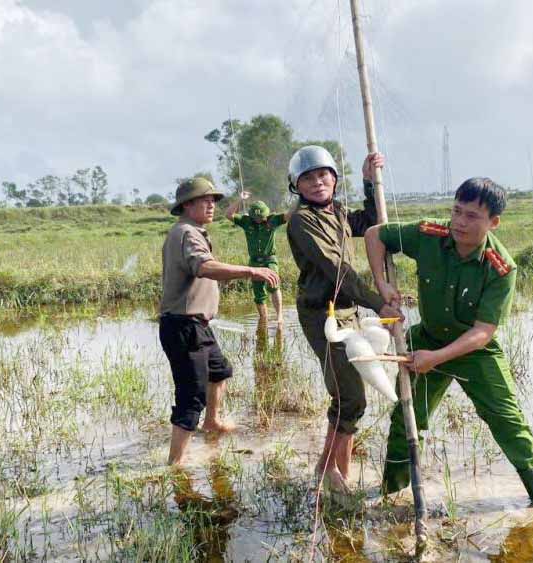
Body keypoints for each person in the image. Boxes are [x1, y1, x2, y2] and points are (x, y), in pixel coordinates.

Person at [364, 177, 533, 506]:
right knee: (405, 418)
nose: (459, 223)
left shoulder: (501, 268)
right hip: (427, 339)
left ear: (493, 222)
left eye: (472, 216)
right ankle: (392, 496)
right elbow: (375, 235)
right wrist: (382, 283)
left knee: (508, 423)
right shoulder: (430, 235)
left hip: (472, 350)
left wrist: (437, 357)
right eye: (456, 211)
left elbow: (483, 332)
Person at [286, 145, 403, 493]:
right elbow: (337, 271)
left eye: (324, 175)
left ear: (335, 179)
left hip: (347, 312)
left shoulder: (336, 211)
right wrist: (378, 303)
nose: (318, 182)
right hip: (322, 313)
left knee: (349, 397)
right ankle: (331, 471)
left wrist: (370, 183)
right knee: (351, 398)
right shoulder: (302, 221)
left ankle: (332, 470)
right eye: (308, 178)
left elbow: (369, 223)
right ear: (297, 185)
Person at [159, 177, 280, 465]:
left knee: (220, 371)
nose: (212, 205)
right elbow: (205, 267)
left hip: (197, 326)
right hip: (184, 326)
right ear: (187, 205)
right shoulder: (187, 233)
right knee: (191, 398)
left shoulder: (191, 231)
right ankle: (175, 463)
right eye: (205, 200)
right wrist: (251, 271)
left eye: (213, 200)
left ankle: (212, 422)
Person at [225, 200, 291, 326]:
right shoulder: (246, 222)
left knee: (274, 285)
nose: (259, 220)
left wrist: (302, 199)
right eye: (256, 218)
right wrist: (239, 200)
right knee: (258, 293)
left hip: (270, 260)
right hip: (254, 262)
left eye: (261, 217)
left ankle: (279, 317)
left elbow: (289, 215)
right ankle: (264, 319)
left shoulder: (273, 220)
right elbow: (228, 215)